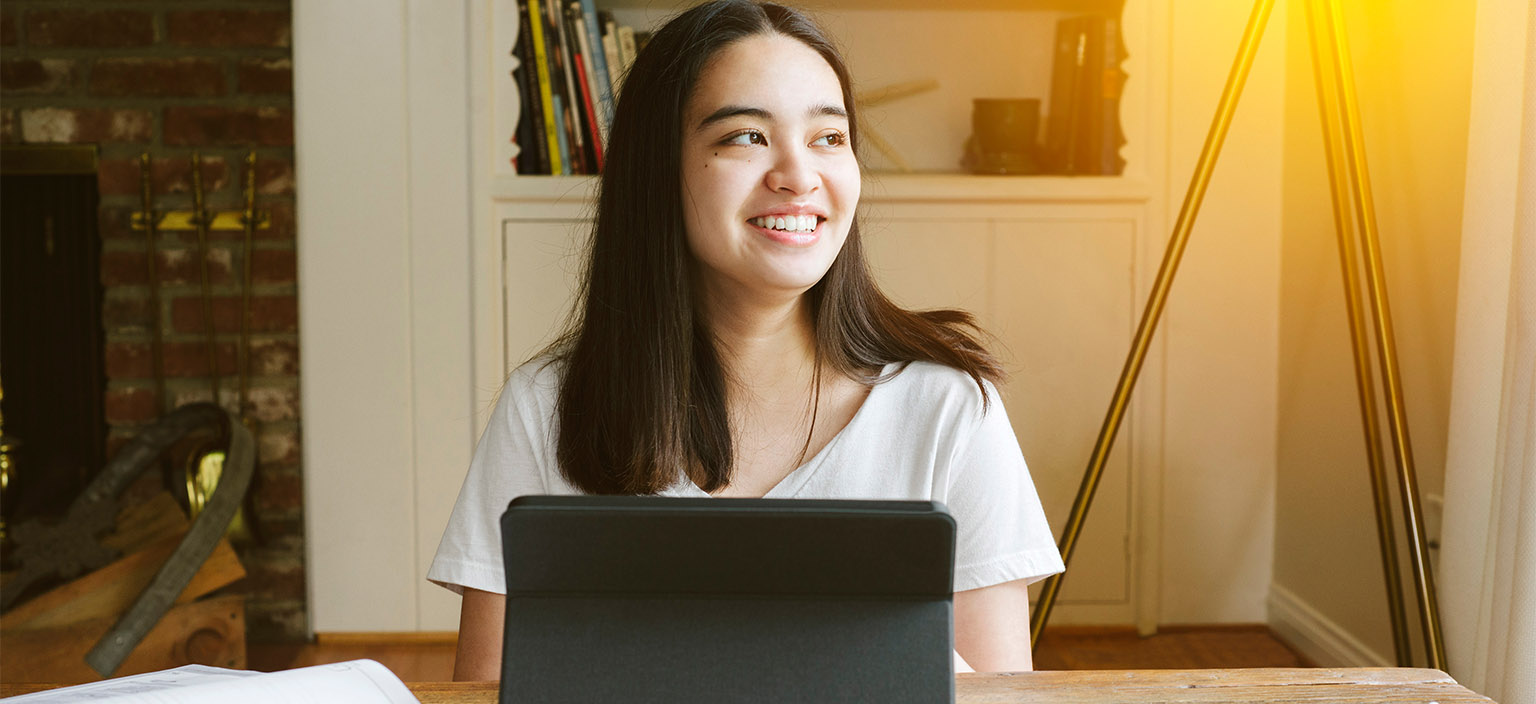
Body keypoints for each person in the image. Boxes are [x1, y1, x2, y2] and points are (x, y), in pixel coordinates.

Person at [428, 0, 1064, 680]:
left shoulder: (950, 410)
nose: (798, 175)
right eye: (746, 138)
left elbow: (1002, 697)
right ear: (657, 170)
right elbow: (488, 694)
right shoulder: (546, 406)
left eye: (828, 137)